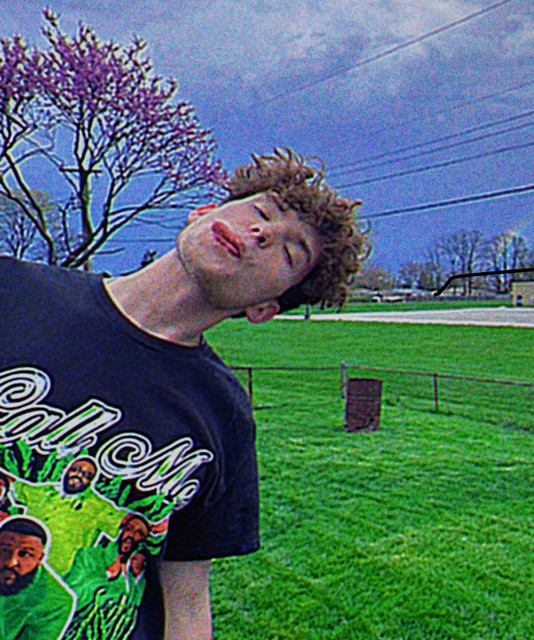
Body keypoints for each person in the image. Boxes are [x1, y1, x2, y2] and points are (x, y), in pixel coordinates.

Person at [0, 148, 368, 639]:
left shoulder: (224, 415)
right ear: (203, 213)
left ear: (264, 309)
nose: (262, 233)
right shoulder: (13, 291)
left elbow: (189, 600)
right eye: (262, 212)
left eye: (289, 252)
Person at [0, 516, 75, 640]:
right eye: (4, 550)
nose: (11, 562)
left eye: (25, 554)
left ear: (40, 559)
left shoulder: (55, 601)